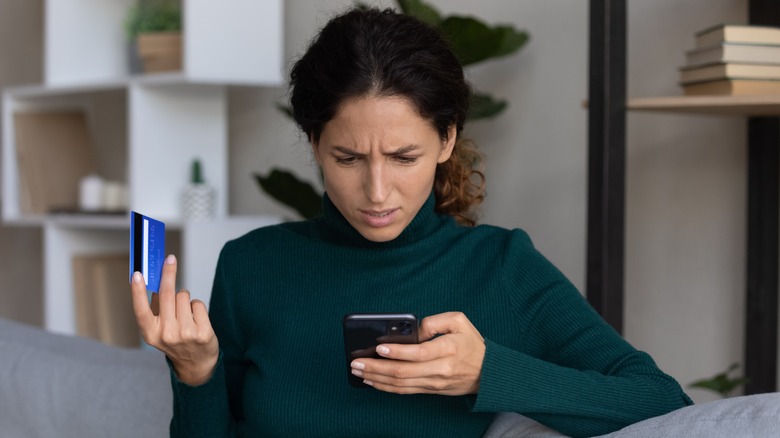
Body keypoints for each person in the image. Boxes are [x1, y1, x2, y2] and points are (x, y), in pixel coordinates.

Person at [130, 7, 692, 438]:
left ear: (447, 140)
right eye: (348, 159)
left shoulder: (501, 268)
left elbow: (660, 404)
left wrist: (487, 372)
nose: (377, 192)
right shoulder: (251, 264)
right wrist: (196, 372)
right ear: (314, 143)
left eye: (404, 158)